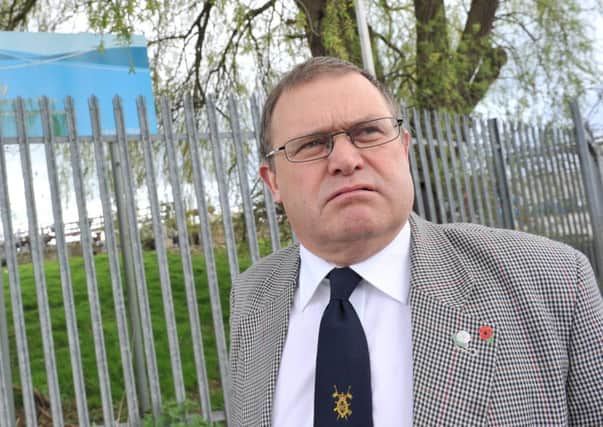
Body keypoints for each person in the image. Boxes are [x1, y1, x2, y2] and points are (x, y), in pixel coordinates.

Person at [229, 57, 603, 426]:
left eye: (368, 132)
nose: (345, 159)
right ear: (273, 181)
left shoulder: (555, 279)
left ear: (403, 148)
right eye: (311, 143)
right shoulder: (251, 297)